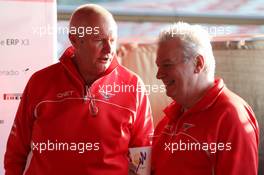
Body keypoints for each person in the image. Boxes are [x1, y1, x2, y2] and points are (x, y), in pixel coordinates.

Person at [4, 4, 153, 175]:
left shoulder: (133, 86)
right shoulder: (40, 82)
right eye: (99, 40)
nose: (109, 49)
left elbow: (143, 156)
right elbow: (16, 153)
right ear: (74, 40)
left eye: (112, 40)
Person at [151, 22, 259, 175]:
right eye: (158, 66)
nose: (159, 74)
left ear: (198, 63)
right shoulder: (172, 115)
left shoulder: (231, 116)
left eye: (167, 65)